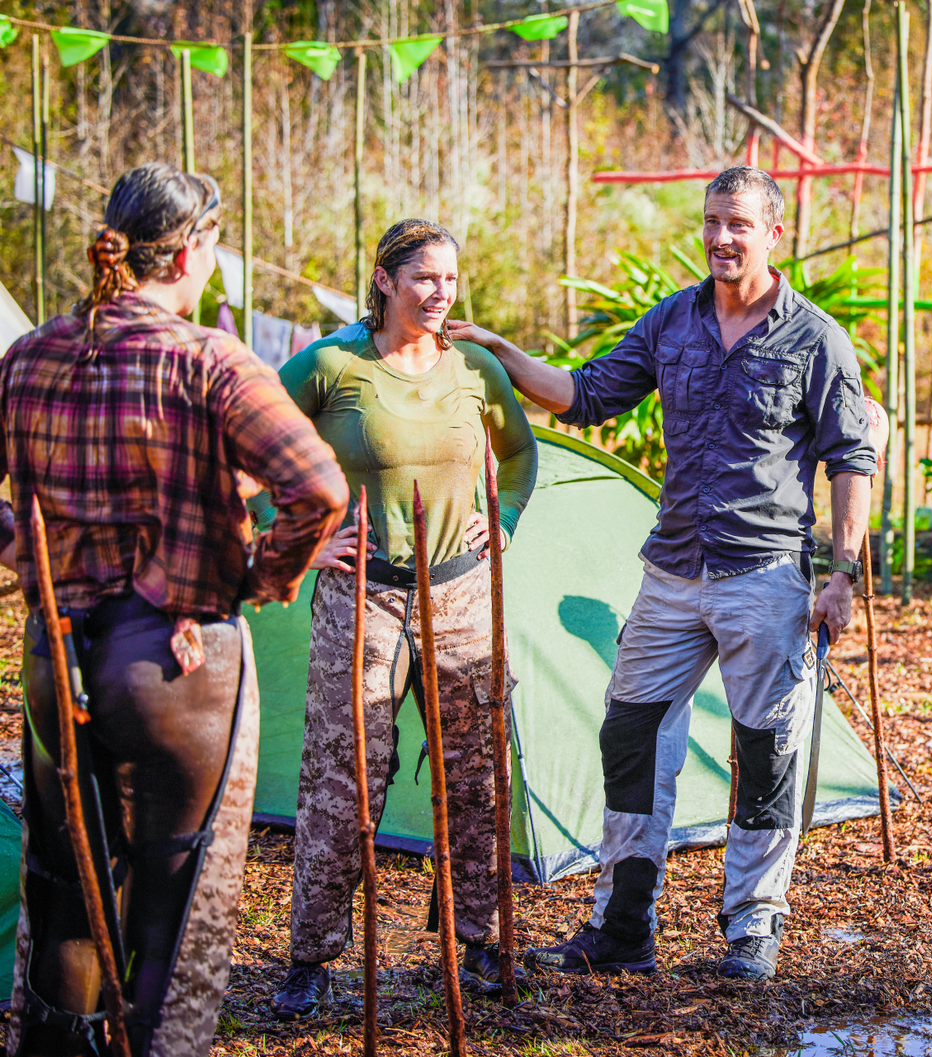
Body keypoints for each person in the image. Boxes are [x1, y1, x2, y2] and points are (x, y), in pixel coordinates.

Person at [447, 165, 874, 981]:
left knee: (766, 749)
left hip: (766, 576)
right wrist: (504, 355)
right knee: (631, 732)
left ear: (774, 234)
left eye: (738, 224)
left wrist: (844, 572)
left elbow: (851, 458)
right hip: (672, 570)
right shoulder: (672, 321)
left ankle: (752, 929)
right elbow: (586, 395)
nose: (721, 237)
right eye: (712, 221)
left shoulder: (816, 338)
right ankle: (623, 924)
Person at [0, 163, 347, 1057]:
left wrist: (22, 549)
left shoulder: (33, 351)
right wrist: (261, 579)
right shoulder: (208, 360)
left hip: (57, 655)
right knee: (176, 907)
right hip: (177, 665)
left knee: (66, 883)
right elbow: (316, 489)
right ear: (195, 249)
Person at [267, 220, 538, 1019]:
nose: (440, 292)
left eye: (451, 278)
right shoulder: (330, 366)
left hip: (462, 594)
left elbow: (520, 457)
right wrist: (300, 542)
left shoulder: (476, 369)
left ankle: (481, 941)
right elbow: (246, 444)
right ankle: (311, 958)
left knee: (478, 775)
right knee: (343, 779)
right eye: (423, 277)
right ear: (383, 280)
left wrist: (509, 518)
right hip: (364, 597)